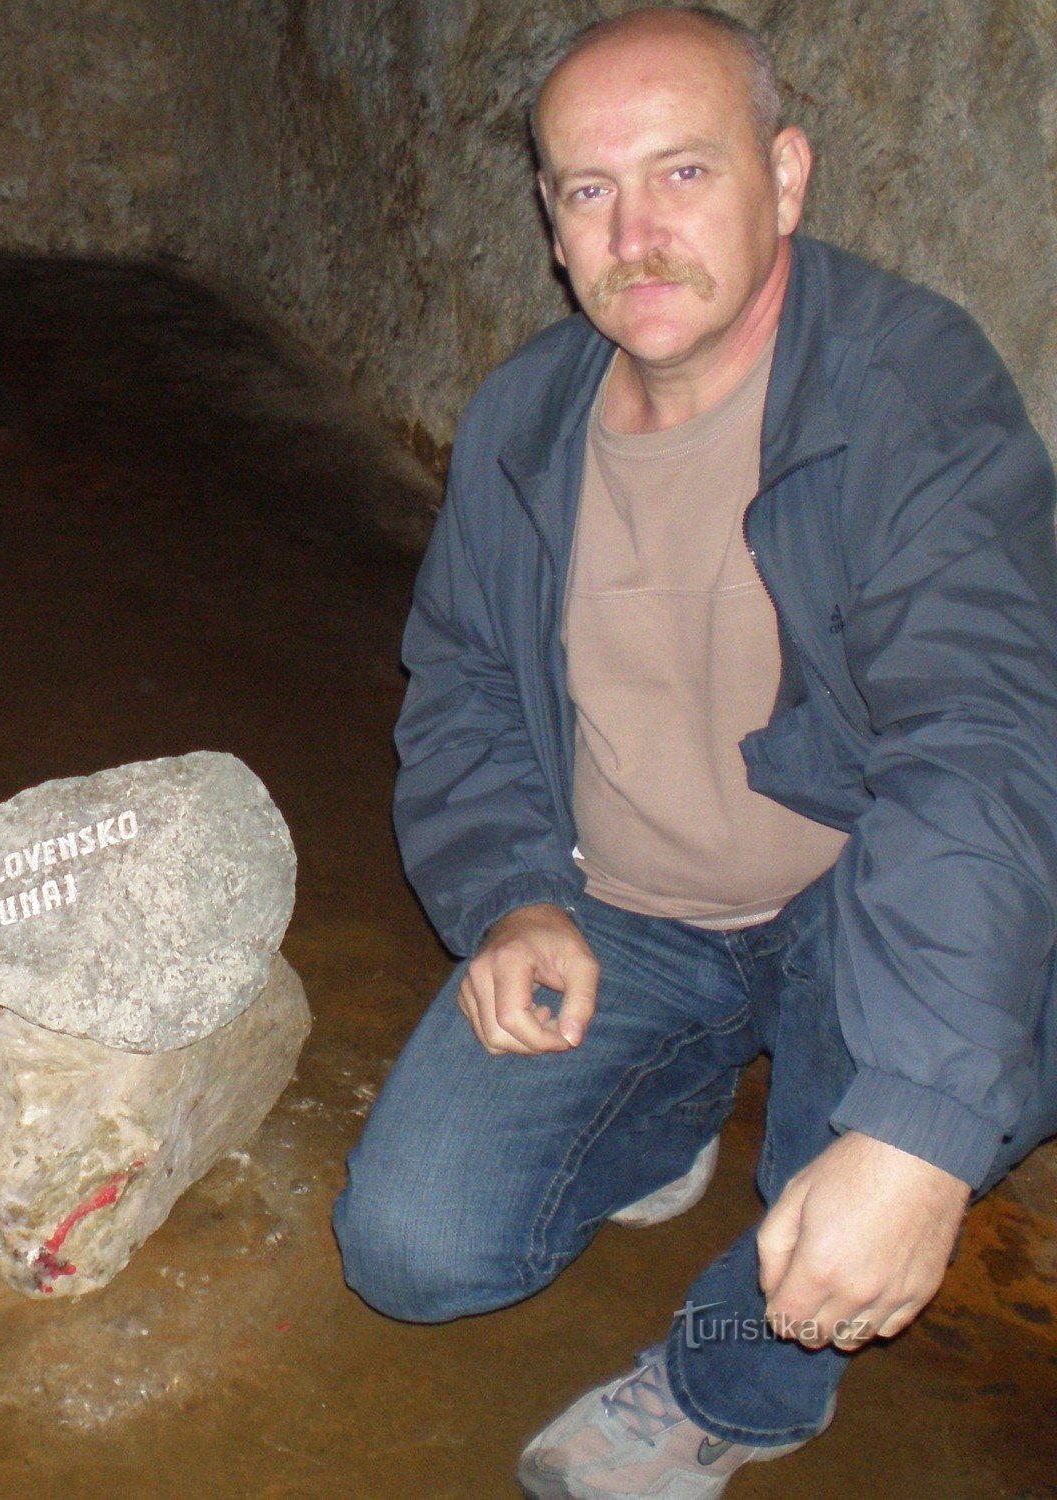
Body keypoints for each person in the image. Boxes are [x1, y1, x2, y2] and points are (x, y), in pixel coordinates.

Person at [332, 7, 1057, 1497]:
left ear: (785, 178)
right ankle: (660, 1096)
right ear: (549, 221)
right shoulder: (527, 420)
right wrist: (518, 894)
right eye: (588, 191)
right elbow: (463, 682)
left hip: (860, 885)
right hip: (627, 902)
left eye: (682, 173)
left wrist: (914, 1137)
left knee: (894, 1139)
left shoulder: (907, 398)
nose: (636, 233)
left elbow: (981, 737)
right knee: (412, 1252)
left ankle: (728, 1386)